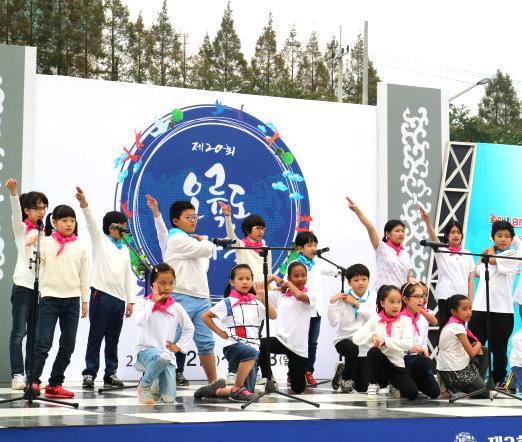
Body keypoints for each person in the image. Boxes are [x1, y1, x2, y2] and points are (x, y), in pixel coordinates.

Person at [146, 196, 217, 387]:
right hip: (181, 297)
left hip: (202, 297)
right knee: (170, 342)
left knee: (206, 343)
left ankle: (213, 384)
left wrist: (202, 245)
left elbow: (204, 265)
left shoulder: (188, 242)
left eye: (195, 217)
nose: (193, 220)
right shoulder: (177, 238)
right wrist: (206, 241)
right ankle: (150, 383)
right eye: (188, 217)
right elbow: (207, 251)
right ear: (176, 221)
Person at [75, 186, 136, 389]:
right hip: (100, 295)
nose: (124, 230)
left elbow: (128, 276)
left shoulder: (125, 250)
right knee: (96, 336)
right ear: (111, 228)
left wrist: (131, 300)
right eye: (121, 226)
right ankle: (89, 373)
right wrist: (85, 205)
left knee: (113, 339)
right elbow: (92, 224)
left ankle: (111, 373)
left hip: (119, 300)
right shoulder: (101, 241)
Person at [218, 202, 282, 385]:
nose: (261, 231)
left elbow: (266, 271)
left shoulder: (265, 249)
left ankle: (256, 370)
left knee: (256, 333)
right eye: (257, 228)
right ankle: (232, 371)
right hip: (241, 293)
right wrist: (228, 216)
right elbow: (230, 236)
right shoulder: (241, 245)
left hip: (259, 294)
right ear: (247, 230)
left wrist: (271, 285)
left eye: (263, 228)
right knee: (240, 332)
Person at [31, 205, 90, 399]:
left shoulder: (81, 246)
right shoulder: (45, 242)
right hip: (49, 299)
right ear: (54, 222)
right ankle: (33, 381)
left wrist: (84, 300)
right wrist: (33, 241)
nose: (69, 224)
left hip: (72, 301)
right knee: (43, 343)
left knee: (68, 344)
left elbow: (84, 275)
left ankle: (55, 383)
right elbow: (34, 263)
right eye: (64, 220)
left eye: (72, 220)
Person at [195, 264, 277, 402]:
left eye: (248, 278)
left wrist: (264, 298)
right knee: (250, 353)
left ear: (252, 281)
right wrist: (220, 332)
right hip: (234, 346)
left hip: (253, 348)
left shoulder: (256, 302)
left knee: (249, 392)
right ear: (232, 282)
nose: (245, 282)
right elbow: (206, 316)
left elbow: (273, 316)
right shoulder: (227, 302)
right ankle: (238, 388)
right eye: (240, 279)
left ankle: (216, 391)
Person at [5, 178, 48, 391]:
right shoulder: (21, 228)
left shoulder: (45, 234)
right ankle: (17, 375)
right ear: (27, 210)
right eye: (37, 208)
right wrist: (13, 193)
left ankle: (32, 375)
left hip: (41, 289)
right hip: (23, 286)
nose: (41, 212)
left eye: (43, 208)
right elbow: (14, 214)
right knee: (18, 333)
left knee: (35, 335)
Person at [134, 263, 194, 404]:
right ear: (153, 284)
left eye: (170, 283)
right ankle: (145, 385)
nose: (167, 287)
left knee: (168, 399)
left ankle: (155, 387)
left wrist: (179, 346)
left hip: (168, 357)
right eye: (162, 283)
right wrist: (152, 302)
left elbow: (189, 328)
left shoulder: (176, 307)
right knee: (162, 357)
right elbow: (139, 322)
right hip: (144, 353)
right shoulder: (143, 303)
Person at [468, 220, 518, 388]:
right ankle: (473, 380)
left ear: (512, 239)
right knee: (476, 345)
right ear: (492, 237)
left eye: (507, 236)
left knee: (499, 348)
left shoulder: (513, 255)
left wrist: (487, 254)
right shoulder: (488, 254)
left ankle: (498, 380)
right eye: (499, 236)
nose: (503, 239)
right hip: (480, 308)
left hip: (502, 310)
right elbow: (476, 272)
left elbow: (494, 261)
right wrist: (482, 258)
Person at [289, 231, 339, 386]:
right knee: (297, 343)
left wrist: (343, 271)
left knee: (312, 343)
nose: (313, 248)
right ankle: (293, 373)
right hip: (300, 310)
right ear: (300, 248)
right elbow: (288, 284)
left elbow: (331, 270)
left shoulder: (317, 263)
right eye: (309, 245)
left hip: (316, 310)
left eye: (315, 245)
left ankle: (309, 371)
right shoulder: (294, 265)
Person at [353, 285, 417, 400]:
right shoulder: (375, 319)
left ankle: (393, 383)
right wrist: (371, 336)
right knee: (374, 351)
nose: (396, 306)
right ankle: (373, 384)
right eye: (392, 302)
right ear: (382, 303)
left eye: (398, 302)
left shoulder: (405, 321)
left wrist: (386, 341)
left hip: (396, 364)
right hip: (379, 364)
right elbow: (356, 338)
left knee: (412, 394)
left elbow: (408, 344)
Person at [259, 261, 311, 394]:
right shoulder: (280, 295)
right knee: (262, 345)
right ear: (289, 277)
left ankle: (299, 377)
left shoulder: (311, 295)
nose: (300, 279)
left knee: (298, 389)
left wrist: (288, 284)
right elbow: (257, 291)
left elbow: (300, 296)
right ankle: (269, 379)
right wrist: (272, 278)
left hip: (298, 348)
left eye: (303, 275)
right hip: (281, 341)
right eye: (296, 276)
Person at [419, 207, 475, 324]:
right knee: (445, 327)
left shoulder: (468, 254)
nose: (456, 235)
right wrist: (428, 221)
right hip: (446, 297)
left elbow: (470, 280)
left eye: (458, 232)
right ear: (447, 235)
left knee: (460, 330)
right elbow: (434, 238)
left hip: (462, 298)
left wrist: (469, 300)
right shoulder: (442, 251)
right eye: (452, 232)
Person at [347, 197, 415, 291]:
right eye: (397, 231)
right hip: (384, 293)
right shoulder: (382, 248)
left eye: (403, 231)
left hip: (401, 296)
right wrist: (358, 211)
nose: (401, 233)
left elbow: (408, 276)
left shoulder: (406, 254)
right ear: (387, 234)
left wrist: (412, 280)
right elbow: (370, 228)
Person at [328, 263, 375, 393]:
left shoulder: (374, 297)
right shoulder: (342, 298)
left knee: (362, 388)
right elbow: (333, 322)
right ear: (349, 283)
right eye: (356, 280)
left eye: (364, 279)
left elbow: (374, 319)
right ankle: (346, 382)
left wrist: (356, 303)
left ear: (368, 280)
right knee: (351, 348)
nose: (360, 283)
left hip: (365, 346)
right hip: (344, 340)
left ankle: (342, 371)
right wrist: (332, 303)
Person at [437, 295, 489, 398]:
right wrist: (477, 344)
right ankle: (468, 389)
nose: (469, 312)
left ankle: (476, 386)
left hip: (451, 369)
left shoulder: (453, 324)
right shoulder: (457, 327)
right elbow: (471, 353)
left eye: (470, 309)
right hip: (454, 372)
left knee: (484, 350)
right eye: (464, 309)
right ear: (454, 312)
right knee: (485, 394)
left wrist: (477, 347)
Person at [400, 282, 440, 399]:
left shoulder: (423, 316)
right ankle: (400, 381)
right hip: (403, 358)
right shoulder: (400, 317)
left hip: (419, 359)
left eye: (423, 296)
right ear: (406, 299)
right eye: (417, 297)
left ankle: (411, 382)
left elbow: (434, 322)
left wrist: (422, 311)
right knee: (425, 363)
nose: (421, 300)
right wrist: (410, 349)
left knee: (434, 392)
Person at [509, 329, 522, 394]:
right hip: (518, 364)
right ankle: (513, 379)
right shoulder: (517, 337)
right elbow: (521, 356)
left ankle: (515, 380)